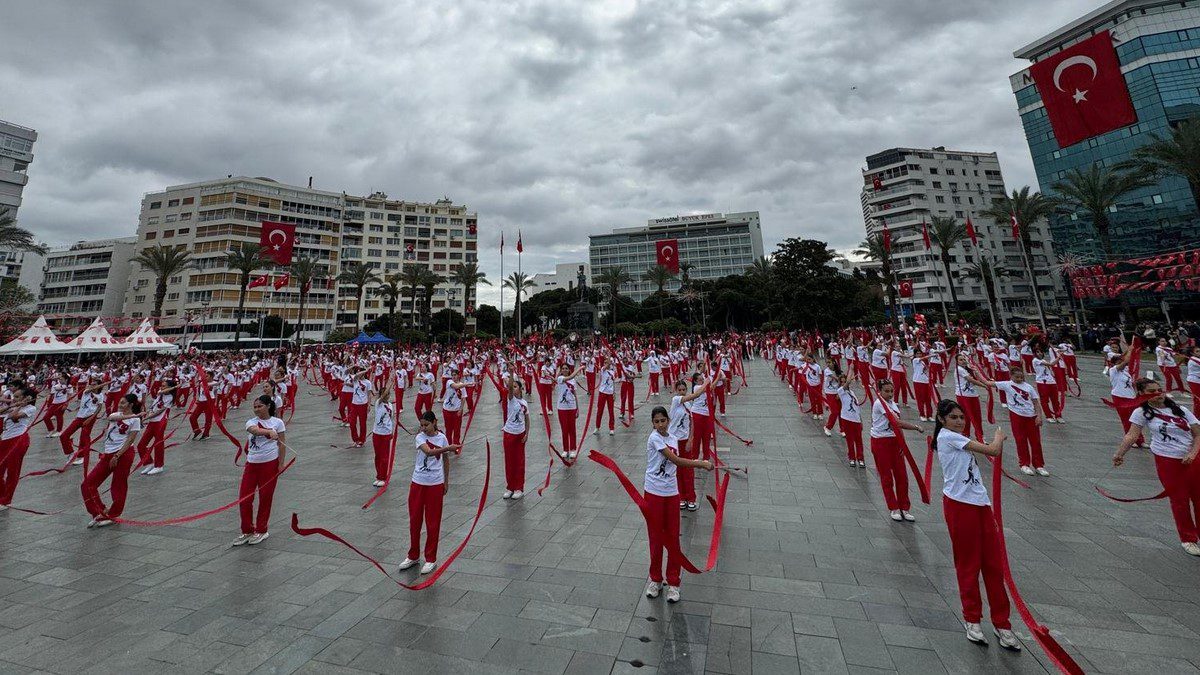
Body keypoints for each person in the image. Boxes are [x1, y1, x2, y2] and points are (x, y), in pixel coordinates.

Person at [932, 399, 1020, 650]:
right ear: (942, 420)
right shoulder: (948, 437)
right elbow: (992, 451)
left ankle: (1002, 622)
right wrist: (999, 437)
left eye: (962, 417)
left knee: (993, 565)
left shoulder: (958, 437)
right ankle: (972, 619)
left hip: (980, 504)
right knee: (969, 565)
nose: (960, 421)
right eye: (954, 417)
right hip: (959, 506)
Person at [1114, 378, 1200, 557]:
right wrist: (1120, 454)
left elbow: (1198, 434)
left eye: (1160, 389)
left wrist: (1192, 453)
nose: (1158, 394)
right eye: (1152, 391)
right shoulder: (1141, 412)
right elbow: (1132, 435)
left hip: (1192, 459)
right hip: (1167, 461)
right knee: (1180, 500)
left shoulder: (1181, 410)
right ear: (1142, 395)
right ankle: (1188, 538)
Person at [643, 405, 714, 604]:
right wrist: (701, 463)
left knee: (673, 538)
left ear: (668, 421)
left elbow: (677, 463)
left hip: (671, 493)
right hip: (653, 492)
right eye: (656, 421)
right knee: (656, 539)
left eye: (663, 420)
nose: (660, 424)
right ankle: (655, 579)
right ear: (653, 423)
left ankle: (673, 582)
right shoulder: (654, 438)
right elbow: (676, 460)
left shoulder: (673, 438)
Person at [399, 411, 461, 575]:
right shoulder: (420, 437)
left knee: (433, 522)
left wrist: (446, 481)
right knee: (415, 521)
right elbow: (428, 452)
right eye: (422, 425)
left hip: (435, 484)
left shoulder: (442, 438)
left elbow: (446, 460)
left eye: (426, 425)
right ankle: (413, 555)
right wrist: (449, 448)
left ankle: (430, 558)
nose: (423, 428)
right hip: (418, 483)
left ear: (434, 422)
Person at [80, 394, 143, 527]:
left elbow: (131, 439)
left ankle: (113, 514)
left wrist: (118, 455)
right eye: (120, 402)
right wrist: (132, 415)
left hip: (124, 454)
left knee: (118, 486)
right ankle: (99, 512)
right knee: (87, 484)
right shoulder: (119, 414)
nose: (120, 405)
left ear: (131, 405)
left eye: (123, 403)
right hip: (108, 454)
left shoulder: (136, 421)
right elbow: (111, 417)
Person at [233, 395, 287, 546]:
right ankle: (247, 530)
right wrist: (268, 432)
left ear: (269, 406)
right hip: (251, 465)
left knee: (265, 498)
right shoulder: (251, 421)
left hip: (269, 465)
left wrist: (281, 464)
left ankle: (262, 530)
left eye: (260, 406)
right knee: (245, 499)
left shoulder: (278, 422)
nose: (256, 409)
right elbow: (254, 431)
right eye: (255, 407)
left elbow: (282, 445)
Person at [869, 379, 925, 522]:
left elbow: (897, 427)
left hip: (895, 441)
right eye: (886, 391)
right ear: (880, 391)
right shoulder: (879, 404)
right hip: (880, 441)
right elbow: (897, 422)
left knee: (902, 476)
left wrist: (902, 444)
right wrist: (915, 427)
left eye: (891, 391)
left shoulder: (892, 403)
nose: (889, 394)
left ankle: (904, 507)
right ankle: (893, 507)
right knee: (887, 477)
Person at [982, 366, 1047, 476]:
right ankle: (1024, 464)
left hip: (1031, 416)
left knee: (1035, 441)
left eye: (1021, 377)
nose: (1019, 379)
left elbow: (1036, 403)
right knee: (1021, 440)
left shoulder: (1029, 387)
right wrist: (976, 371)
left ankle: (1039, 465)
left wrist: (1039, 416)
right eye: (1017, 377)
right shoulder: (1006, 384)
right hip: (1017, 416)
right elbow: (987, 383)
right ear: (1011, 376)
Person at [670, 376, 710, 512]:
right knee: (677, 470)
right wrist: (706, 382)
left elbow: (691, 422)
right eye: (679, 389)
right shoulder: (676, 400)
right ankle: (681, 497)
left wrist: (690, 439)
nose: (682, 392)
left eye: (683, 389)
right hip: (673, 442)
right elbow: (697, 394)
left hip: (685, 441)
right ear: (676, 391)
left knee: (688, 470)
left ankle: (691, 498)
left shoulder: (688, 405)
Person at [0, 385, 38, 510]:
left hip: (18, 440)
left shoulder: (31, 408)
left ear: (27, 398)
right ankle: (2, 495)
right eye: (13, 396)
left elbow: (14, 417)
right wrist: (12, 405)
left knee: (12, 471)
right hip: (5, 440)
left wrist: (21, 405)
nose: (14, 399)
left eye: (17, 397)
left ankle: (7, 500)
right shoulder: (13, 405)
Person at [60, 380, 104, 466]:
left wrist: (92, 417)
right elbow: (88, 390)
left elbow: (99, 407)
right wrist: (92, 387)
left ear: (99, 386)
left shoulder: (100, 395)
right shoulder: (86, 392)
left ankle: (81, 456)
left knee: (83, 438)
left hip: (90, 418)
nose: (91, 385)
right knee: (64, 435)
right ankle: (70, 453)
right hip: (79, 417)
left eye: (94, 384)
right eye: (91, 384)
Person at [137, 379, 175, 475]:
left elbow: (160, 411)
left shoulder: (170, 397)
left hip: (160, 421)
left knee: (158, 444)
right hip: (152, 421)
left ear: (169, 388)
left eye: (164, 386)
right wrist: (149, 412)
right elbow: (154, 405)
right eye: (161, 385)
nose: (161, 387)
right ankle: (149, 463)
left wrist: (146, 418)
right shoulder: (160, 393)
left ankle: (159, 466)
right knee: (141, 445)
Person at [501, 374, 529, 499]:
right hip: (509, 433)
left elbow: (527, 419)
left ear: (521, 389)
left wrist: (527, 433)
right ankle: (510, 487)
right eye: (512, 387)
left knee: (519, 461)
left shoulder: (524, 403)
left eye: (516, 387)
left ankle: (519, 487)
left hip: (520, 434)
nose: (513, 388)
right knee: (509, 461)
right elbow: (510, 389)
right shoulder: (510, 399)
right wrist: (511, 374)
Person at [555, 363, 585, 460]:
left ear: (568, 369)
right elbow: (571, 376)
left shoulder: (573, 381)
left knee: (572, 429)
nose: (564, 370)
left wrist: (577, 408)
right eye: (562, 368)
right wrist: (580, 368)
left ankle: (573, 449)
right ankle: (565, 449)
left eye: (566, 368)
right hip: (562, 408)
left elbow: (575, 395)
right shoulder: (560, 379)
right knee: (564, 429)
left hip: (571, 407)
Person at [835, 374, 865, 467]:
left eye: (845, 381)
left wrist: (861, 421)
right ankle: (852, 458)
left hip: (856, 420)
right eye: (842, 382)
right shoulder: (840, 391)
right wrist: (851, 370)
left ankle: (861, 459)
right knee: (850, 440)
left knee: (859, 440)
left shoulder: (852, 393)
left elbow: (857, 408)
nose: (844, 383)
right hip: (847, 419)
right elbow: (847, 383)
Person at [370, 384, 396, 487]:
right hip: (377, 433)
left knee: (385, 457)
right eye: (385, 394)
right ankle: (378, 476)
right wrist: (391, 382)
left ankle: (383, 477)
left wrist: (391, 431)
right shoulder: (378, 403)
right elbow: (383, 395)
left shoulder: (390, 405)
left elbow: (391, 419)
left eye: (389, 394)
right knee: (378, 456)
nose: (387, 395)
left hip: (386, 433)